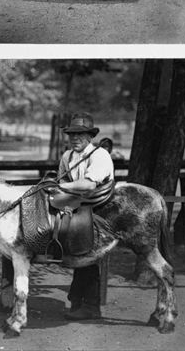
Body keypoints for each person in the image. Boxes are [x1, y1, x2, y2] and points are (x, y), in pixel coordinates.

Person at [58, 112, 114, 320]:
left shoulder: (99, 155)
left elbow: (89, 184)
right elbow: (61, 181)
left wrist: (60, 187)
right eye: (72, 134)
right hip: (77, 205)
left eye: (81, 134)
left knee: (86, 248)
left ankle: (89, 304)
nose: (75, 138)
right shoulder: (67, 156)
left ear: (90, 136)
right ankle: (78, 299)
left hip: (100, 207)